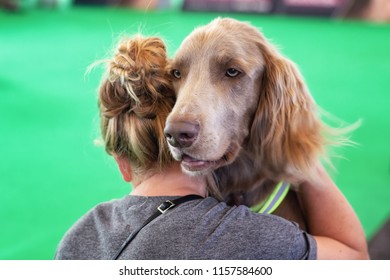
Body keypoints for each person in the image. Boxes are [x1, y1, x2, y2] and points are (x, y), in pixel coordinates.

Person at [55, 35, 369, 260]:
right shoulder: (242, 237)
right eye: (179, 74)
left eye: (232, 72)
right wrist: (300, 153)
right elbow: (355, 259)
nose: (178, 123)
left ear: (121, 161)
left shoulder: (78, 236)